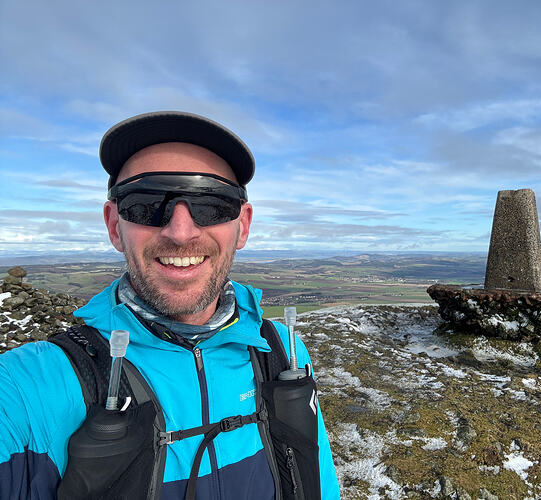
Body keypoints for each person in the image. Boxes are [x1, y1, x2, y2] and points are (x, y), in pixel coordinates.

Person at [0, 111, 341, 499]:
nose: (181, 233)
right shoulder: (29, 385)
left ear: (242, 225)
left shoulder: (281, 351)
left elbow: (319, 481)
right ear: (114, 225)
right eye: (146, 203)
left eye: (212, 204)